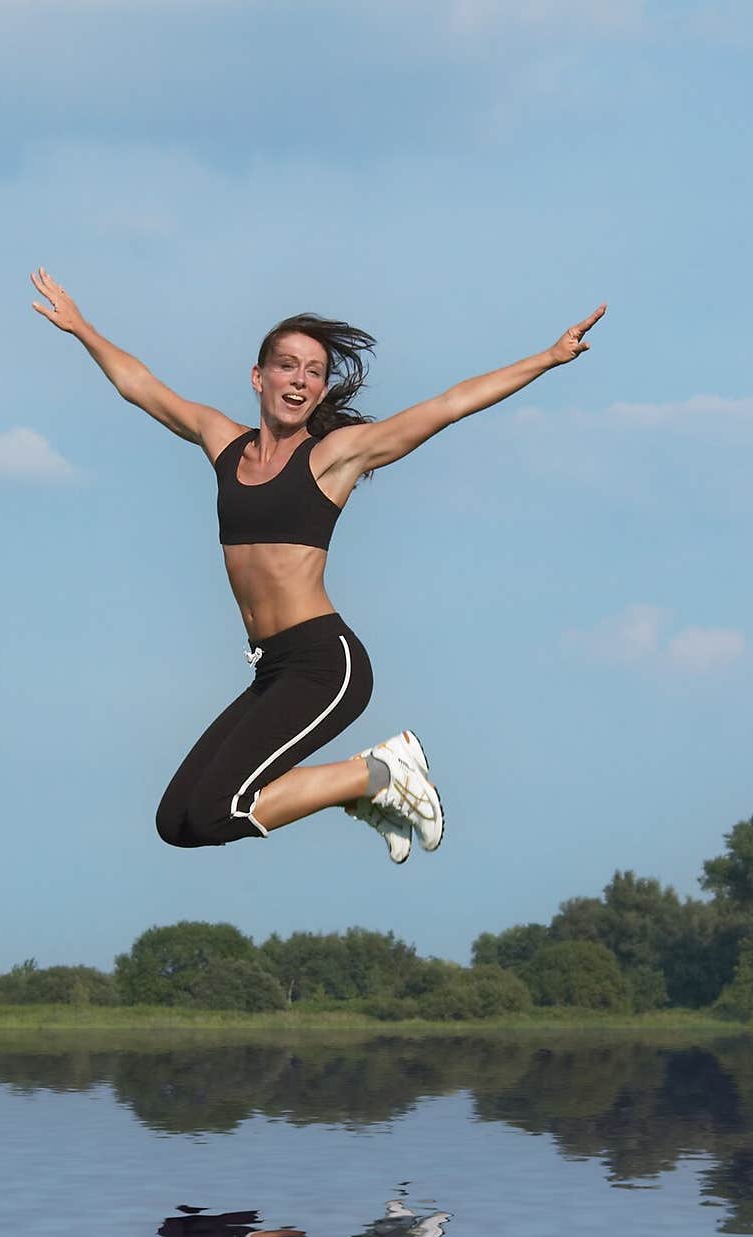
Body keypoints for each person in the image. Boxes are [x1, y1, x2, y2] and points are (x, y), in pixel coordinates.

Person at [31, 269, 605, 862]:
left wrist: (548, 357)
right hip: (273, 667)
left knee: (217, 810)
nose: (300, 380)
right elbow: (141, 386)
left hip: (324, 663)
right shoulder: (221, 442)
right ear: (259, 377)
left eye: (314, 371)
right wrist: (81, 328)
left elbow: (449, 405)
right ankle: (370, 788)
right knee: (176, 821)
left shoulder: (333, 457)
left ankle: (377, 776)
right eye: (287, 365)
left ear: (323, 391)